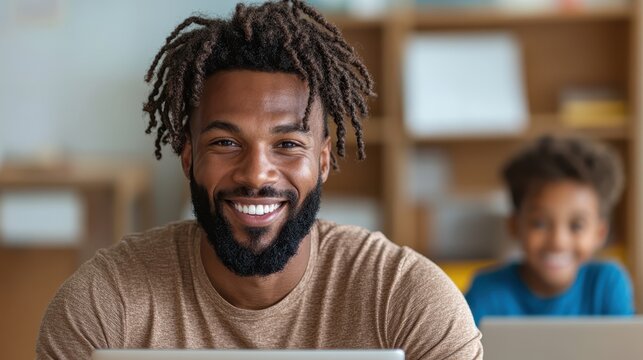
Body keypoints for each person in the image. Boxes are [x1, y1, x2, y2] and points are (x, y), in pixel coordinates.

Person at [36, 1, 482, 359]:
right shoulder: (102, 308)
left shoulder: (407, 302)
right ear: (188, 157)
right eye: (226, 143)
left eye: (287, 145)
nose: (255, 174)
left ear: (323, 160)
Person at [465, 135, 634, 326]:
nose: (558, 241)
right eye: (539, 223)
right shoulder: (486, 291)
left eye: (576, 225)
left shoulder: (606, 284)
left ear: (599, 233)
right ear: (514, 226)